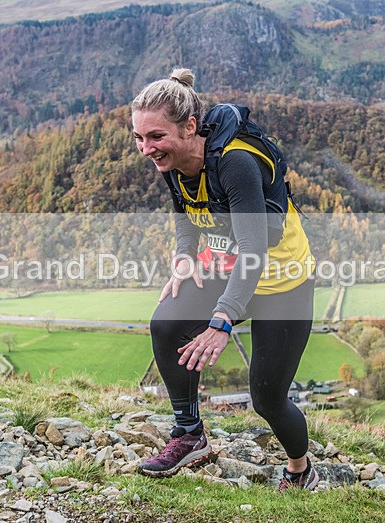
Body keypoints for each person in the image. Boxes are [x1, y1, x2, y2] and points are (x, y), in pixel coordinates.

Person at [131, 68, 318, 492]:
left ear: (190, 126)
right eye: (139, 138)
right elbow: (185, 219)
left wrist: (222, 320)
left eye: (155, 136)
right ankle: (190, 433)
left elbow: (254, 251)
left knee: (267, 398)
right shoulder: (173, 162)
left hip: (280, 282)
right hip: (226, 269)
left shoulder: (235, 164)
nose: (146, 148)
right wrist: (183, 260)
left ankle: (300, 469)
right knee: (166, 323)